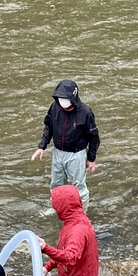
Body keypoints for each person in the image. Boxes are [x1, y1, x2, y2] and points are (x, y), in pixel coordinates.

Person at [30, 79, 100, 207]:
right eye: (59, 98)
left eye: (65, 98)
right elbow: (48, 127)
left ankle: (82, 214)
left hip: (77, 155)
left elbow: (94, 137)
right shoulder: (54, 108)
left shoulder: (85, 113)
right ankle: (56, 207)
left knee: (78, 187)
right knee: (56, 184)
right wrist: (42, 146)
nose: (62, 101)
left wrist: (91, 159)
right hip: (58, 153)